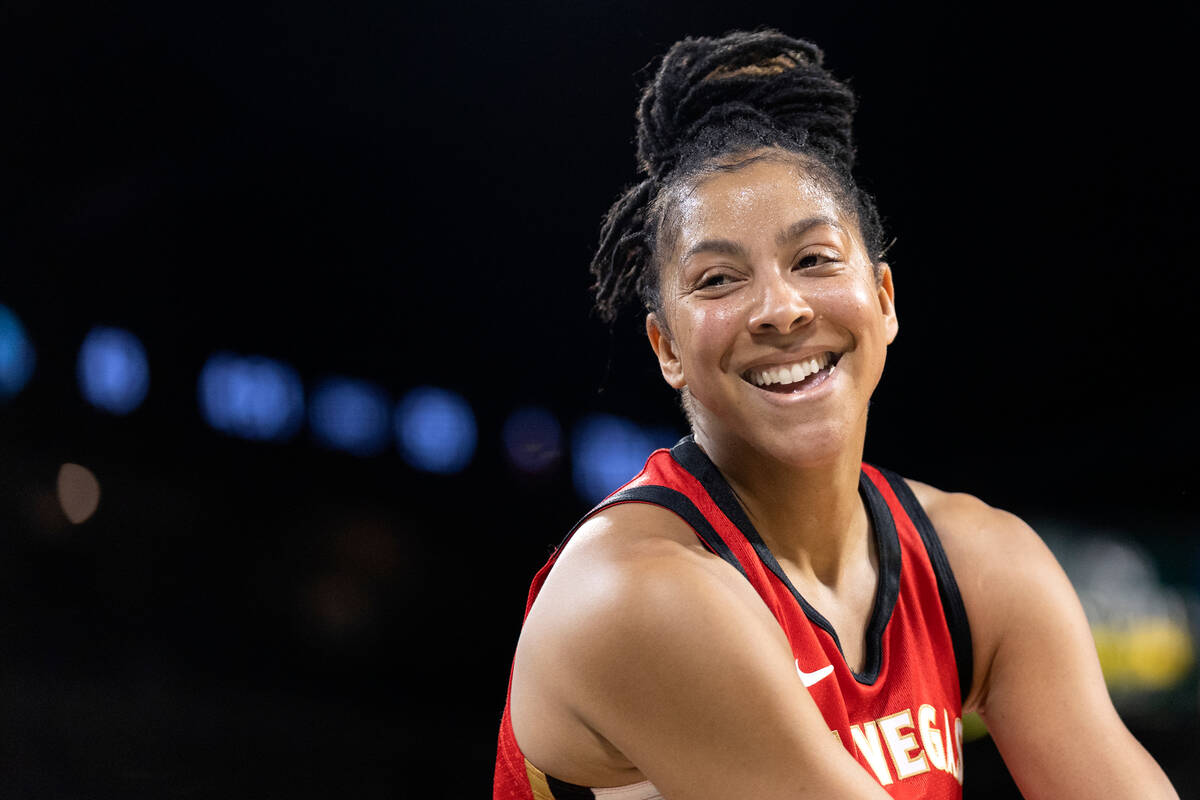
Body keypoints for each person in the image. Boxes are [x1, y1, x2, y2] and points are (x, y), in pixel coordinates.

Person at [493, 29, 1179, 800]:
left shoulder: (983, 566)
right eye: (718, 279)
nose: (780, 309)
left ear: (883, 301)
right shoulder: (633, 592)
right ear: (667, 347)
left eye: (814, 260)